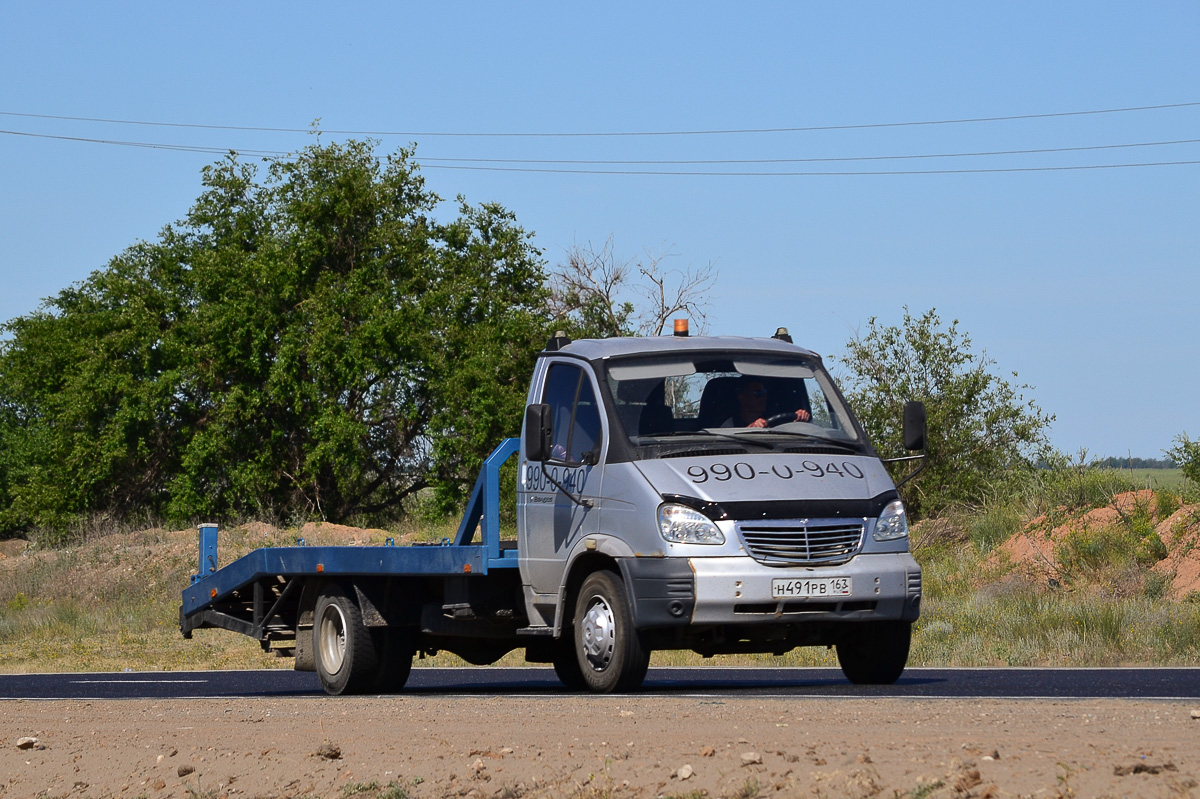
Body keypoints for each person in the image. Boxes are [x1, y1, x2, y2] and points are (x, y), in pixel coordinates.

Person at [721, 377, 811, 428]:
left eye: (765, 393)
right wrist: (750, 429)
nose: (764, 397)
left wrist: (800, 417)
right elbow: (723, 445)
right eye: (758, 393)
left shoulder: (778, 420)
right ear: (743, 398)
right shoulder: (729, 425)